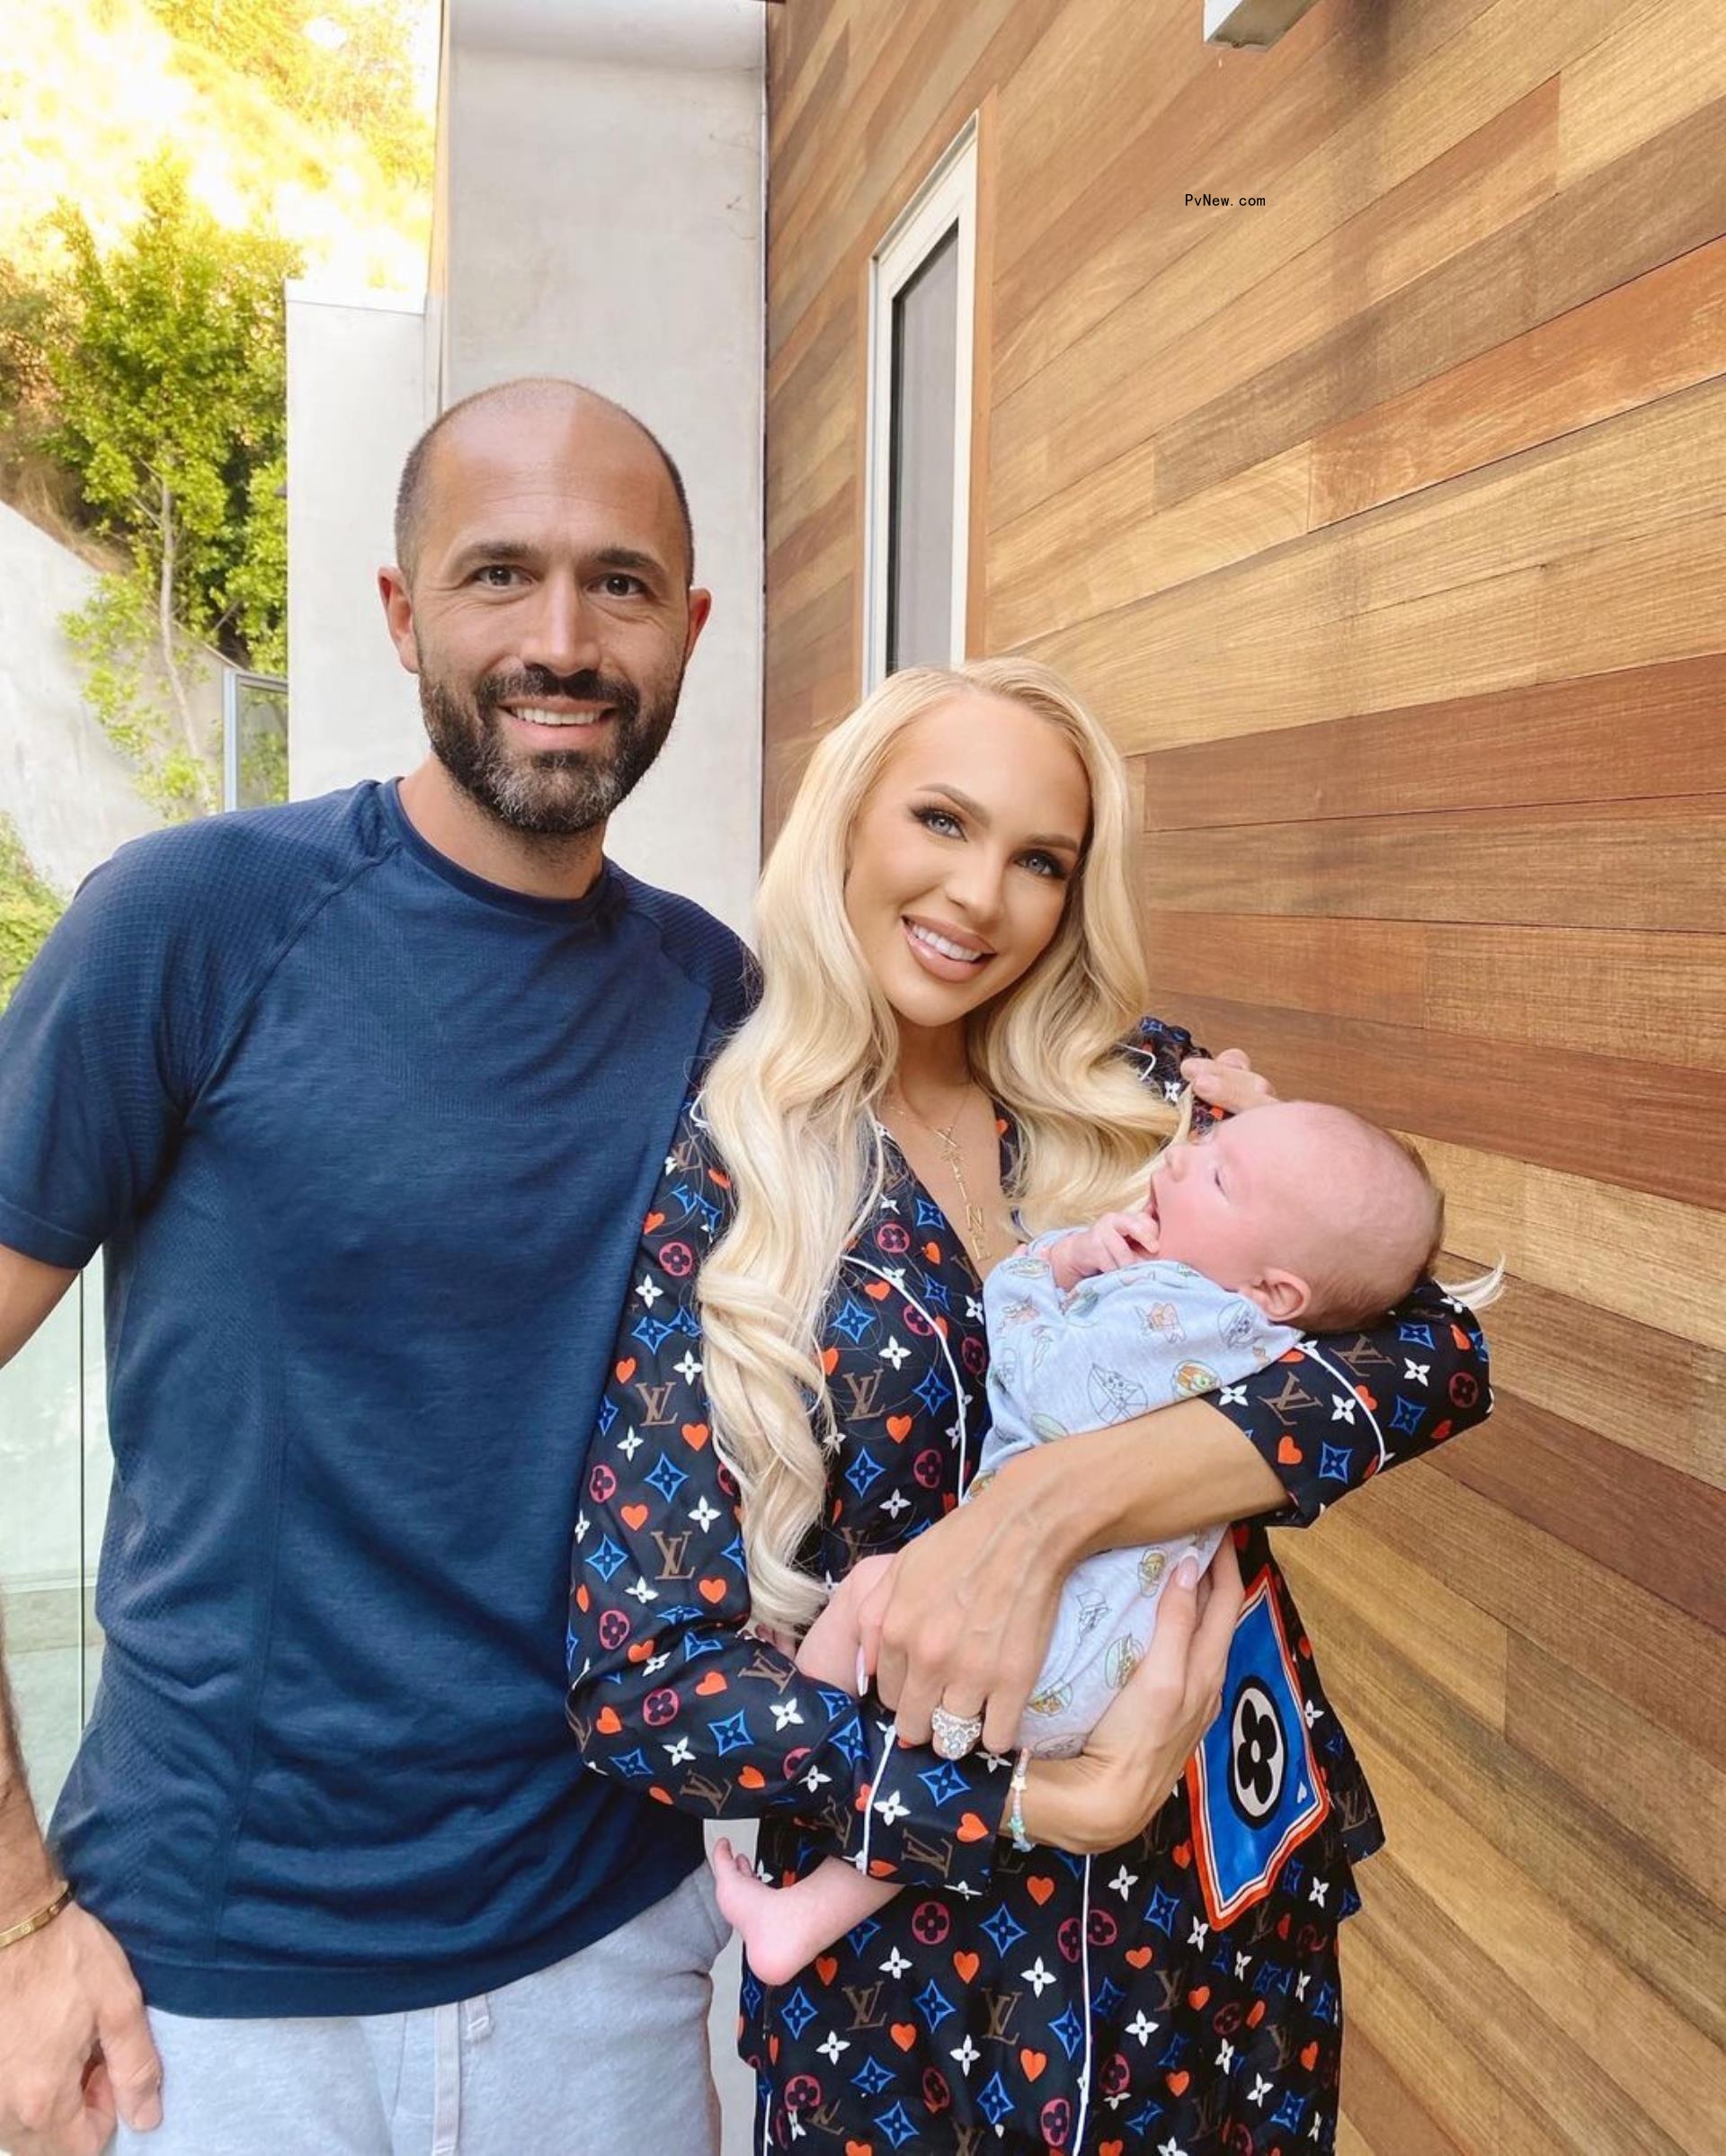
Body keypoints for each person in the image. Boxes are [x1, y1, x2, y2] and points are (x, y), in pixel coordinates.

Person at [566, 656, 1494, 2153]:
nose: (982, 894)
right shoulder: (724, 1184)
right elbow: (642, 1682)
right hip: (925, 1990)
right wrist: (1031, 1801)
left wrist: (1064, 1496)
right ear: (851, 821)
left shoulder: (1142, 1096)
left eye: (1041, 859)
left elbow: (1436, 1353)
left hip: (1220, 1922)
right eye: (942, 819)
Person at [0, 379, 752, 2156]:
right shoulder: (190, 924)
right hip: (218, 1984)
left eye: (620, 585)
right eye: (501, 574)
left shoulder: (720, 1001)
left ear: (690, 630)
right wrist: (16, 1913)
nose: (562, 640)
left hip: (616, 1961)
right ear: (404, 609)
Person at [708, 1098, 1455, 1982]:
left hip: (1058, 1641)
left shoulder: (1184, 1312)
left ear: (1274, 1288)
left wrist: (1051, 1264)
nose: (1178, 1161)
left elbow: (1046, 1377)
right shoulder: (1260, 1328)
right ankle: (802, 1915)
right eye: (1205, 1138)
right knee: (924, 1728)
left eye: (1218, 1174)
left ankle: (804, 1723)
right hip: (1106, 1653)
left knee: (874, 1593)